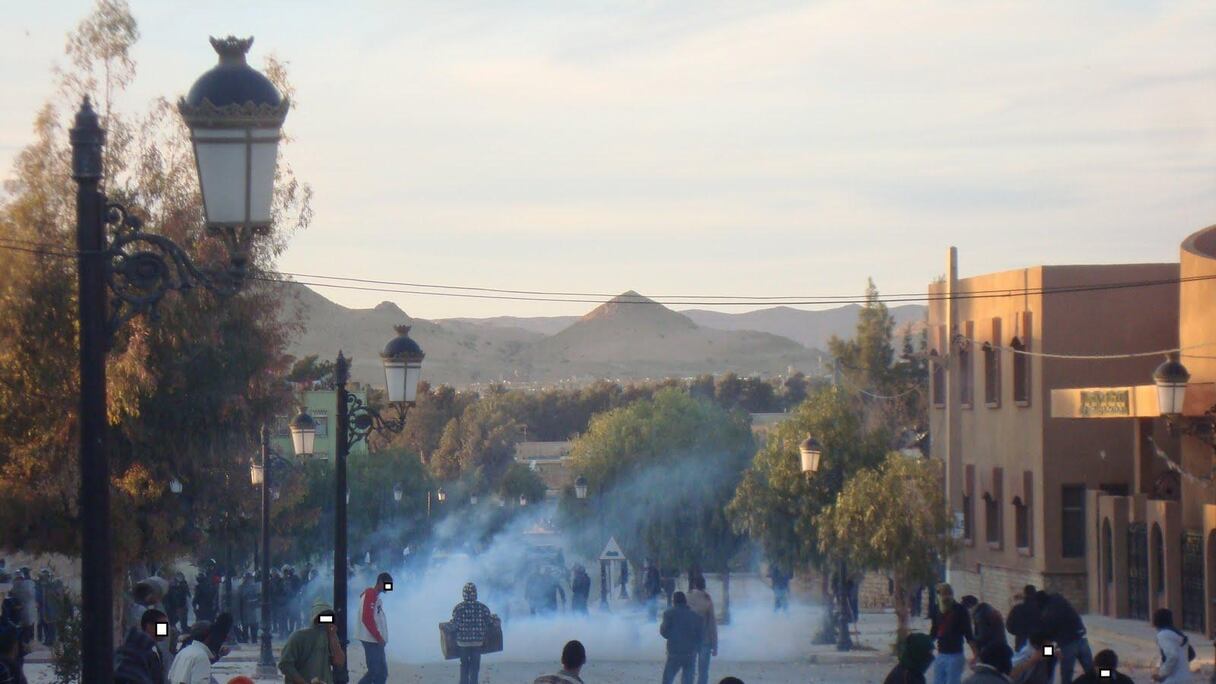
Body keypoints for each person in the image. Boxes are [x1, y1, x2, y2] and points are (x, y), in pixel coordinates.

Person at [278, 599, 346, 684]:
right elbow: (285, 664)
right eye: (322, 617)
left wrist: (332, 637)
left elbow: (339, 662)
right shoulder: (298, 636)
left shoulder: (329, 636)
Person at [1035, 591, 1092, 684]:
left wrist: (1045, 641)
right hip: (1081, 636)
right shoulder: (1059, 599)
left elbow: (1049, 630)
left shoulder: (1050, 611)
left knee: (1066, 673)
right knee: (1090, 670)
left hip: (1068, 643)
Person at [450, 583, 493, 684]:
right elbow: (489, 623)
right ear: (475, 594)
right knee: (475, 666)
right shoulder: (483, 608)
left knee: (464, 665)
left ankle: (463, 682)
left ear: (463, 594)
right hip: (477, 643)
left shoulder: (458, 608)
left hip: (463, 643)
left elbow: (455, 626)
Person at [930, 583, 973, 684]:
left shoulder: (960, 610)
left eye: (947, 594)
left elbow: (968, 634)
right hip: (941, 654)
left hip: (955, 655)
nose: (944, 597)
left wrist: (976, 654)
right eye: (942, 594)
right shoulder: (937, 609)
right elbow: (934, 631)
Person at [114, 608, 169, 684]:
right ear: (149, 626)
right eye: (162, 626)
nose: (165, 630)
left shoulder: (156, 649)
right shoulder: (139, 652)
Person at [660, 591, 704, 684]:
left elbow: (664, 632)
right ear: (685, 601)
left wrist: (672, 636)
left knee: (667, 679)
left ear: (674, 601)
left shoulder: (669, 613)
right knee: (687, 680)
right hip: (690, 652)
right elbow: (700, 636)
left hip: (674, 652)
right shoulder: (695, 616)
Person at [355, 572, 391, 684]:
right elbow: (367, 618)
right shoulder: (371, 593)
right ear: (380, 582)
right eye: (387, 584)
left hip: (374, 639)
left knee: (380, 672)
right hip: (371, 640)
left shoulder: (373, 595)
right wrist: (379, 637)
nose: (388, 588)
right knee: (376, 672)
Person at [686, 576, 718, 684]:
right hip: (705, 640)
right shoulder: (707, 599)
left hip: (690, 640)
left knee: (689, 669)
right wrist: (715, 645)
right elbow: (712, 624)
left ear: (694, 584)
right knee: (703, 671)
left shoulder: (687, 597)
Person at [1151, 608, 1192, 684]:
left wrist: (1161, 674)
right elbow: (1191, 655)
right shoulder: (1179, 634)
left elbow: (1172, 656)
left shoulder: (1163, 635)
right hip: (1186, 678)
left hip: (1173, 680)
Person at [1004, 586, 1039, 653]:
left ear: (1025, 594)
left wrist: (1019, 631)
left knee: (1021, 661)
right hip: (1039, 644)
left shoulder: (1017, 609)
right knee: (1042, 660)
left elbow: (1009, 626)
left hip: (1021, 642)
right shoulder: (1043, 609)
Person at [238, 572, 259, 644]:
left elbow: (258, 597)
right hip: (245, 609)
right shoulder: (241, 587)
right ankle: (246, 639)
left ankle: (253, 639)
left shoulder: (254, 587)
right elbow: (240, 599)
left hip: (252, 609)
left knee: (253, 625)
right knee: (246, 626)